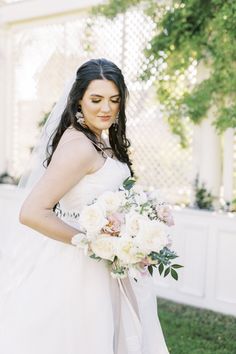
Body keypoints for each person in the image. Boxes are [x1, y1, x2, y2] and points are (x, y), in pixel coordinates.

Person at [0, 58, 170, 354]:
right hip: (79, 268)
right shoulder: (80, 146)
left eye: (114, 100)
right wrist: (94, 243)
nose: (106, 108)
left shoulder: (98, 140)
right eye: (96, 99)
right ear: (79, 99)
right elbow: (31, 212)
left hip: (104, 263)